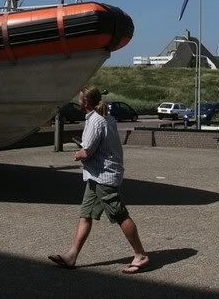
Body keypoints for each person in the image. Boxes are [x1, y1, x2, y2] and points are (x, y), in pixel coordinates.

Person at [48, 85, 149, 274]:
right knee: (85, 215)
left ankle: (140, 254)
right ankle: (71, 256)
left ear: (85, 102)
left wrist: (78, 154)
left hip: (104, 176)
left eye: (79, 99)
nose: (77, 102)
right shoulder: (107, 117)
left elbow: (88, 152)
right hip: (96, 175)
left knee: (120, 215)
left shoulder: (95, 121)